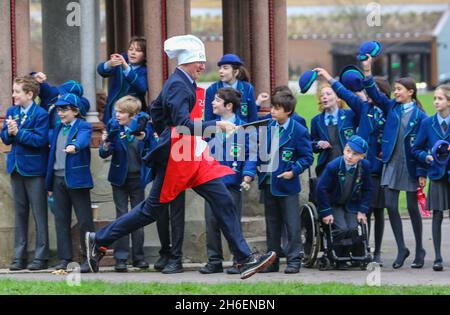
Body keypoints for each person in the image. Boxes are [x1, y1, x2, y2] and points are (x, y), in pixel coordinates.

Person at [85, 34, 276, 280]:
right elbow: (181, 123)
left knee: (223, 201)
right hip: (179, 155)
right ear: (188, 62)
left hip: (188, 153)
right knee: (151, 210)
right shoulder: (178, 84)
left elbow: (156, 109)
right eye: (200, 62)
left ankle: (244, 258)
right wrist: (217, 125)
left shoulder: (180, 83)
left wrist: (164, 128)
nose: (203, 67)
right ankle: (99, 239)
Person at [314, 67, 387, 265]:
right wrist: (330, 78)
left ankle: (372, 250)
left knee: (375, 209)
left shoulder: (387, 108)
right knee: (354, 216)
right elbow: (345, 93)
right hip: (353, 165)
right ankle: (352, 250)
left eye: (372, 91)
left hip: (374, 167)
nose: (366, 93)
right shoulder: (362, 108)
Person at [362, 54, 428, 269]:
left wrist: (421, 173)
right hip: (390, 162)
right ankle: (402, 248)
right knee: (390, 205)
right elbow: (373, 91)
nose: (396, 92)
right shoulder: (391, 107)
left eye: (399, 89)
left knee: (411, 208)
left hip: (409, 165)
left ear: (411, 92)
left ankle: (419, 249)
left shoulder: (421, 117)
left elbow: (422, 147)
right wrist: (367, 71)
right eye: (395, 89)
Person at [199, 87, 257, 275]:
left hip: (232, 183)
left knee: (232, 223)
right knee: (211, 222)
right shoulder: (209, 127)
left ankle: (238, 261)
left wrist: (248, 173)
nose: (212, 103)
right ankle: (214, 260)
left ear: (229, 105)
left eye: (217, 100)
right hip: (211, 182)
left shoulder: (245, 128)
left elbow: (252, 154)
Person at [257, 90, 314, 274]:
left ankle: (294, 260)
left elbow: (307, 157)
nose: (272, 111)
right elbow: (261, 152)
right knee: (272, 225)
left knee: (292, 225)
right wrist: (259, 165)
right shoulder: (268, 127)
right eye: (272, 107)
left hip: (287, 185)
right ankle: (272, 261)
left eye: (277, 108)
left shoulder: (298, 130)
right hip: (269, 183)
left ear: (288, 111)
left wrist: (293, 171)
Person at [100, 95, 157, 272]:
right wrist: (105, 145)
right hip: (118, 178)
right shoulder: (113, 126)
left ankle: (139, 257)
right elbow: (104, 153)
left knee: (137, 216)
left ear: (132, 115)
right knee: (122, 216)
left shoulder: (143, 127)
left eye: (121, 112)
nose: (117, 115)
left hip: (137, 178)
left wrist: (145, 138)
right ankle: (121, 257)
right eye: (116, 111)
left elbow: (152, 147)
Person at [1, 76, 49, 271]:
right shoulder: (12, 111)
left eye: (17, 92)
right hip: (16, 168)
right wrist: (10, 132)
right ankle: (19, 257)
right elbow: (5, 138)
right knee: (20, 214)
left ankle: (40, 256)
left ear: (29, 94)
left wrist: (18, 132)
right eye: (13, 91)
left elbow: (40, 140)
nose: (13, 95)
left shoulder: (41, 114)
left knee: (39, 213)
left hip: (35, 170)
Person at [45, 93, 95, 273]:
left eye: (64, 109)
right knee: (61, 221)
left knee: (85, 222)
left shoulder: (83, 126)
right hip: (58, 179)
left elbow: (82, 139)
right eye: (59, 109)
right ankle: (64, 258)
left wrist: (75, 146)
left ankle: (88, 258)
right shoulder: (58, 127)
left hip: (77, 181)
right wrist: (49, 184)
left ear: (75, 110)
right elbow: (51, 156)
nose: (60, 113)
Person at [316, 136, 373, 270]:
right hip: (333, 203)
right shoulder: (333, 166)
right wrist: (326, 212)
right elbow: (321, 189)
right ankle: (337, 256)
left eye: (355, 154)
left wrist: (362, 210)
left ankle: (349, 255)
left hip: (351, 203)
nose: (350, 156)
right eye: (348, 151)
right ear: (344, 149)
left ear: (362, 156)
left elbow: (368, 189)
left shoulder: (365, 167)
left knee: (354, 229)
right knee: (341, 228)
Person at [412, 84, 450, 271]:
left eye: (440, 98)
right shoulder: (428, 123)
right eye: (434, 98)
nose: (435, 102)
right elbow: (416, 148)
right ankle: (438, 258)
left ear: (449, 101)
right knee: (437, 215)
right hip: (436, 174)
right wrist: (425, 160)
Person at [97, 36, 148, 124]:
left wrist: (126, 67)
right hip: (113, 108)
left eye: (138, 50)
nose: (133, 53)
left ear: (145, 55)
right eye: (131, 49)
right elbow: (101, 71)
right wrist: (109, 64)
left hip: (132, 112)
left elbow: (141, 88)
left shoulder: (144, 70)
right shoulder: (119, 62)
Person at [310, 83, 358, 177]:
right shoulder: (316, 121)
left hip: (349, 164)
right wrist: (319, 144)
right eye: (322, 95)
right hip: (326, 166)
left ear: (338, 97)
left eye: (328, 94)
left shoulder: (350, 115)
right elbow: (312, 144)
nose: (324, 97)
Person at [204, 54, 258, 123]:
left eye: (225, 68)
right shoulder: (211, 89)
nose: (220, 71)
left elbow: (253, 117)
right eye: (220, 68)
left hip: (243, 131)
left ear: (236, 72)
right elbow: (208, 119)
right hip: (219, 131)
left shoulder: (248, 88)